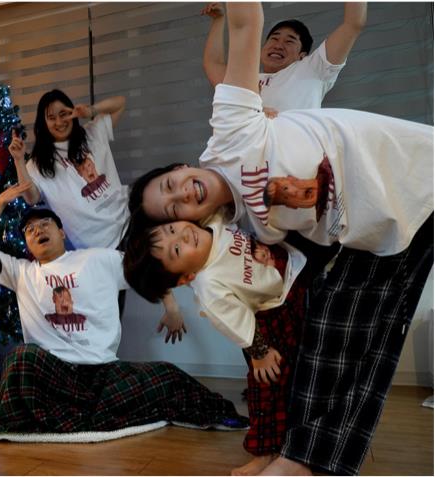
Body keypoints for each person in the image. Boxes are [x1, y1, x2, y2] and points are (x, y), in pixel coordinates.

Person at [130, 3, 433, 474]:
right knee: (334, 337)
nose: (182, 195)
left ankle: (298, 461)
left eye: (172, 184)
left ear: (182, 167)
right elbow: (187, 267)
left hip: (412, 173)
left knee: (337, 326)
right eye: (173, 211)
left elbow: (246, 21)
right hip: (381, 231)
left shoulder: (229, 132)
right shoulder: (241, 227)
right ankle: (298, 458)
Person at [0, 185, 248, 439]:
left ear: (61, 233)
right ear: (26, 243)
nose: (38, 230)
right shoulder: (21, 272)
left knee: (166, 375)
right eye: (30, 230)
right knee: (20, 358)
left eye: (45, 224)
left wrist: (171, 306)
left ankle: (75, 416)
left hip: (102, 373)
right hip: (53, 377)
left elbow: (145, 271)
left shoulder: (99, 258)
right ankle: (93, 415)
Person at [122, 213, 309, 475]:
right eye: (177, 250)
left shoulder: (213, 223)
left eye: (172, 229)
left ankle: (292, 445)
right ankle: (265, 452)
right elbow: (238, 323)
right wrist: (260, 353)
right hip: (274, 314)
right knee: (268, 386)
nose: (183, 236)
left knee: (304, 374)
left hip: (294, 270)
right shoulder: (210, 287)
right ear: (186, 277)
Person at [9, 89, 186, 343]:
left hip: (125, 219)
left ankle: (172, 307)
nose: (59, 121)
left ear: (72, 113)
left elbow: (121, 102)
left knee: (152, 255)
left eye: (63, 113)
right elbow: (31, 197)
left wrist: (91, 110)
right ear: (43, 122)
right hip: (96, 246)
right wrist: (18, 160)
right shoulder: (37, 164)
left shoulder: (92, 134)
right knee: (109, 316)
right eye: (51, 117)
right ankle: (100, 357)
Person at [201, 2, 367, 110]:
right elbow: (213, 63)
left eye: (289, 41)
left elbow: (353, 24)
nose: (278, 45)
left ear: (302, 55)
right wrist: (218, 20)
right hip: (251, 154)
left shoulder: (313, 69)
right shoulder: (246, 79)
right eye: (274, 38)